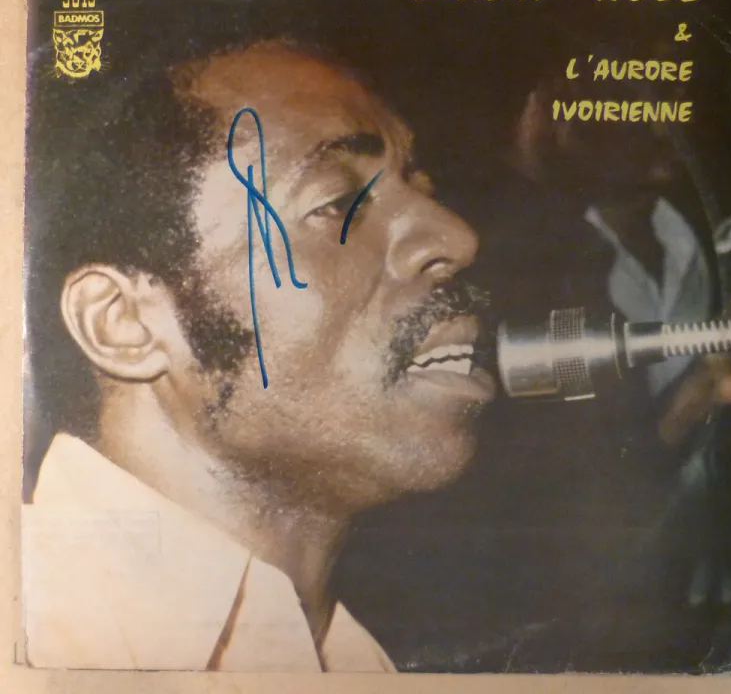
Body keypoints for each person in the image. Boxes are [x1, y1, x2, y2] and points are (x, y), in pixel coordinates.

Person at [22, 39, 495, 671]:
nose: (457, 237)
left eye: (424, 187)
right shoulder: (33, 629)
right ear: (124, 325)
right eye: (335, 203)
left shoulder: (358, 662)